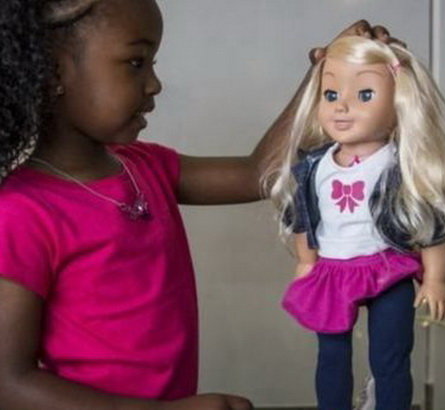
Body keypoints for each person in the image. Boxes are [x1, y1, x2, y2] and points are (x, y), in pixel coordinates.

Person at [0, 0, 396, 408]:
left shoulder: (144, 167)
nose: (154, 84)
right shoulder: (21, 212)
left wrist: (327, 75)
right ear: (54, 72)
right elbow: (9, 383)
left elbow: (258, 173)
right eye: (136, 63)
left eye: (152, 63)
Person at [264, 36, 445, 409]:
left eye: (365, 95)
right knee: (332, 356)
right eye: (331, 94)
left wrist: (436, 278)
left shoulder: (404, 165)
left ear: (399, 104)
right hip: (333, 271)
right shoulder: (313, 166)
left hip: (388, 270)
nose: (342, 107)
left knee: (391, 356)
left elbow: (431, 222)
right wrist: (306, 261)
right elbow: (302, 217)